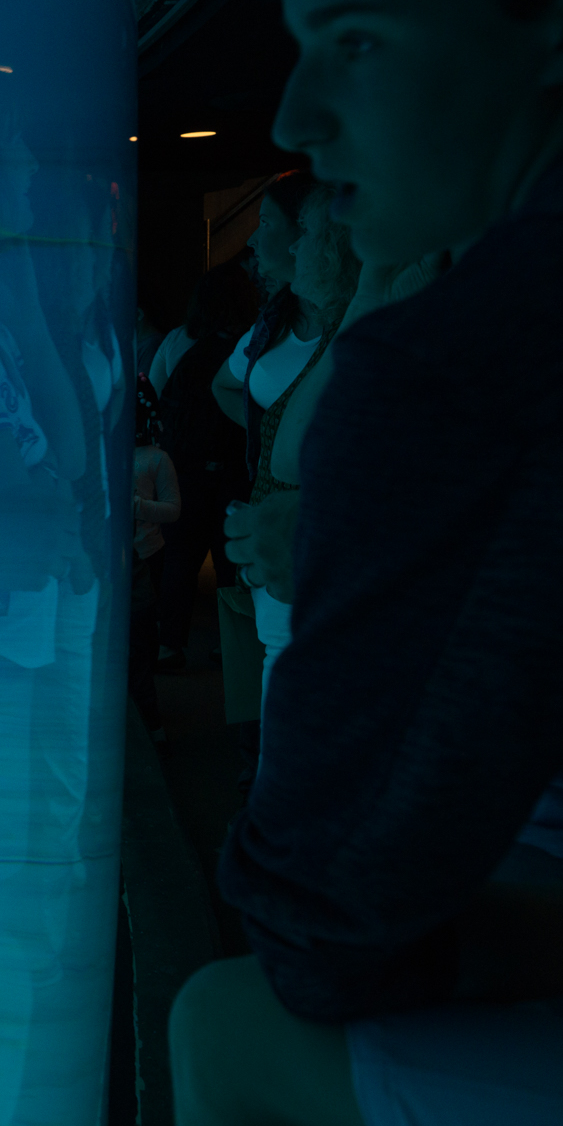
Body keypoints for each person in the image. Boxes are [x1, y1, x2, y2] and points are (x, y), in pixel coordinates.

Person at [141, 0, 563, 1126]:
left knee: (231, 1029)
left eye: (353, 40)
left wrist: (548, 942)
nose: (291, 120)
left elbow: (323, 931)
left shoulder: (488, 350)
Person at [227, 182, 360, 712]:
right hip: (284, 545)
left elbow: (288, 453)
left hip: (310, 557)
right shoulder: (274, 323)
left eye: (301, 230)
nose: (257, 240)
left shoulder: (356, 326)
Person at [149, 254, 254, 672]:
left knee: (179, 558)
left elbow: (155, 396)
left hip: (183, 468)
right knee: (232, 559)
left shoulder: (177, 341)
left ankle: (169, 646)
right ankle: (231, 647)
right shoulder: (252, 343)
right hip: (236, 468)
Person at [129, 375, 181, 743]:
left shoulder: (156, 459)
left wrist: (139, 506)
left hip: (146, 554)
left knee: (142, 642)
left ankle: (152, 724)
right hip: (115, 563)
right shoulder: (104, 453)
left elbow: (174, 509)